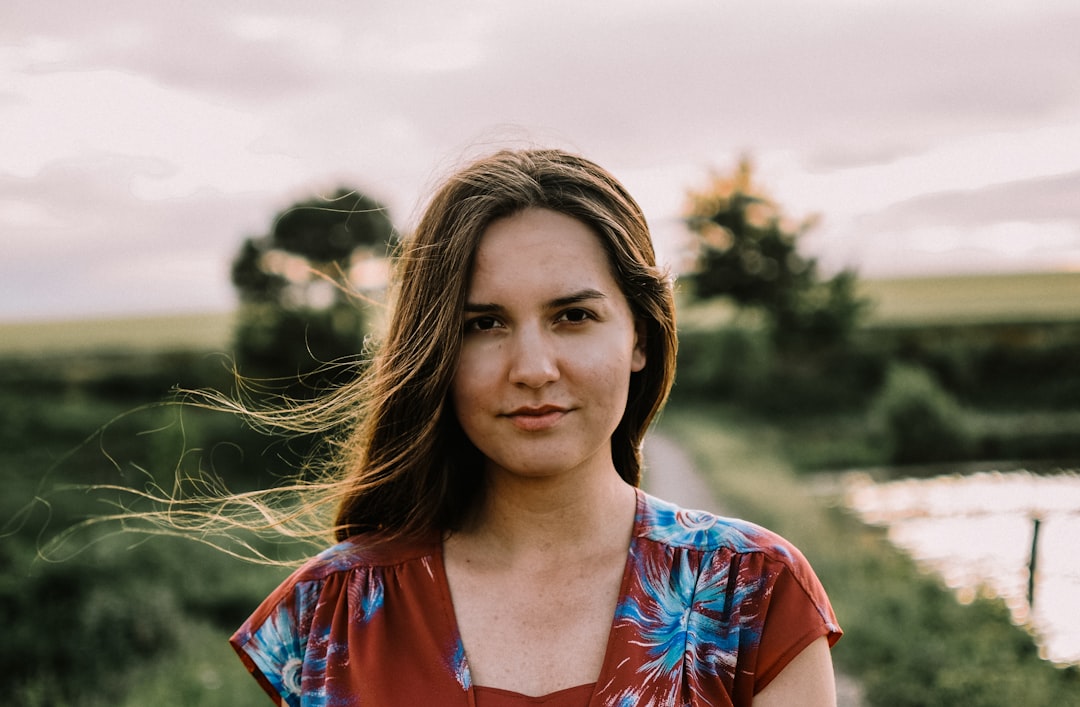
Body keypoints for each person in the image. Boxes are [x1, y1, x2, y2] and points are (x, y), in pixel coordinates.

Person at [230, 148, 842, 706]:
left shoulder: (753, 594)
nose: (532, 369)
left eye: (574, 316)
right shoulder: (330, 613)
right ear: (436, 350)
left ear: (641, 337)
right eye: (483, 324)